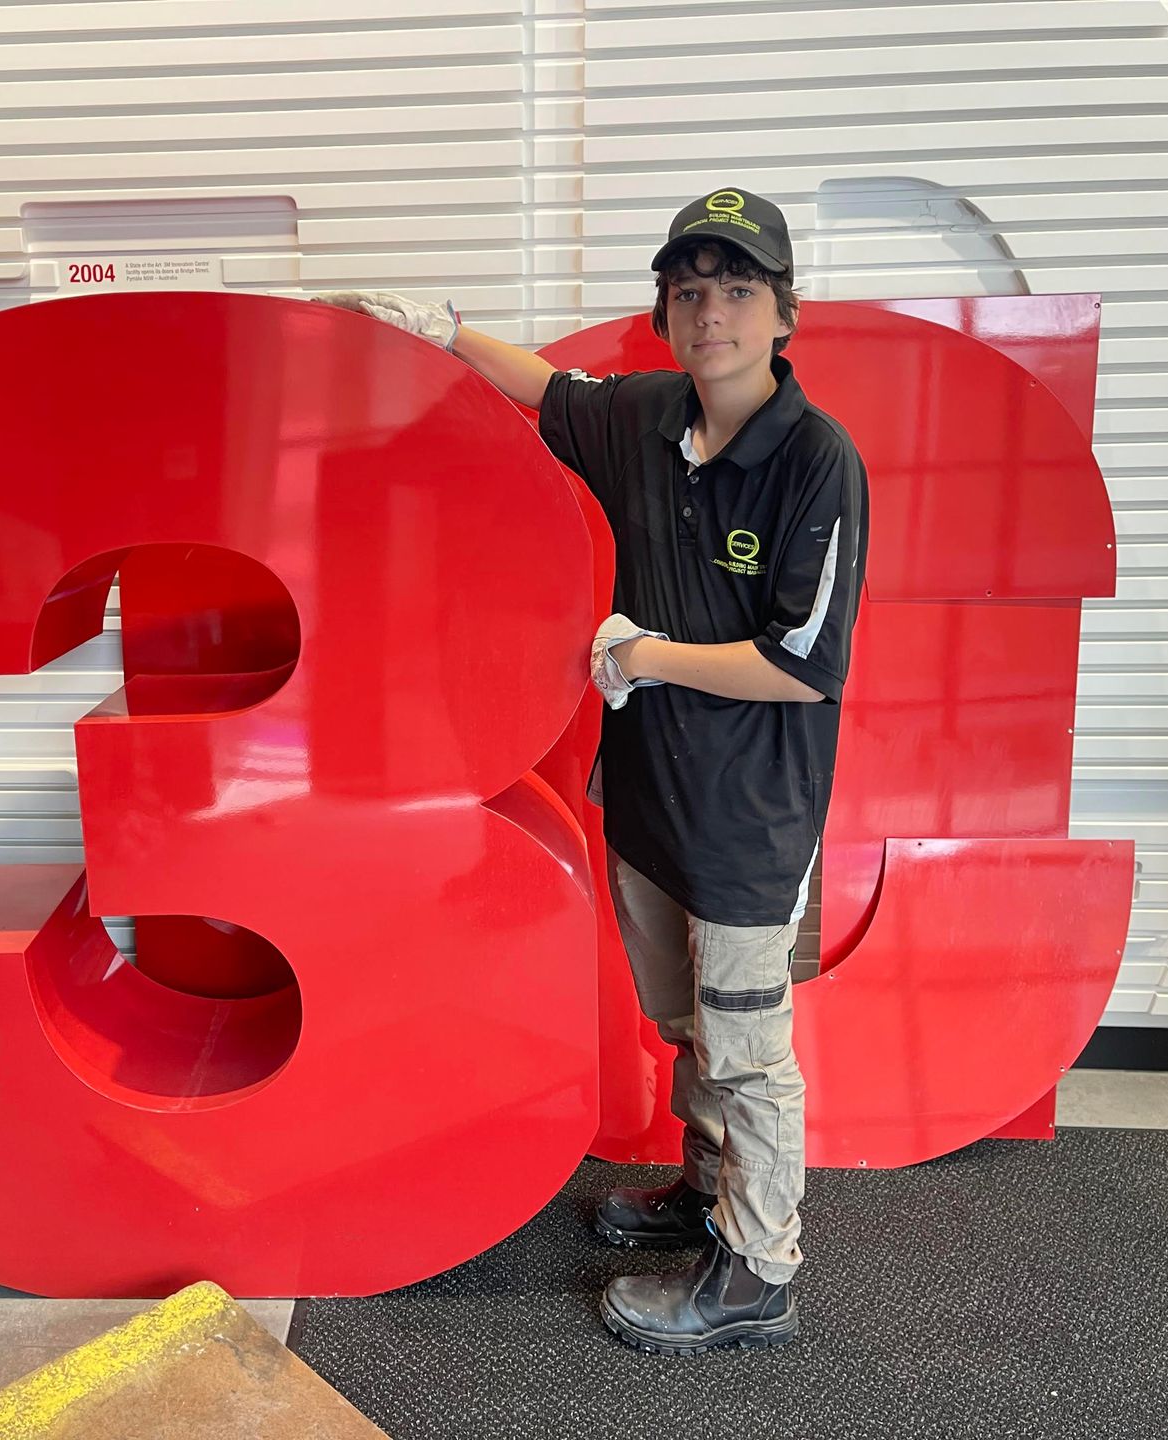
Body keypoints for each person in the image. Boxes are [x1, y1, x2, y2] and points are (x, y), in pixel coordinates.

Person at [316, 185, 868, 1357]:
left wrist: (647, 654)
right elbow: (551, 392)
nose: (709, 312)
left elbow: (805, 663)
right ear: (665, 311)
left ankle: (759, 1269)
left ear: (784, 314)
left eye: (736, 290)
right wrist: (445, 328)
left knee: (748, 1042)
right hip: (650, 797)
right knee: (687, 1023)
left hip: (748, 817)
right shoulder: (650, 416)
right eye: (689, 291)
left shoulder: (816, 460)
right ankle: (707, 1198)